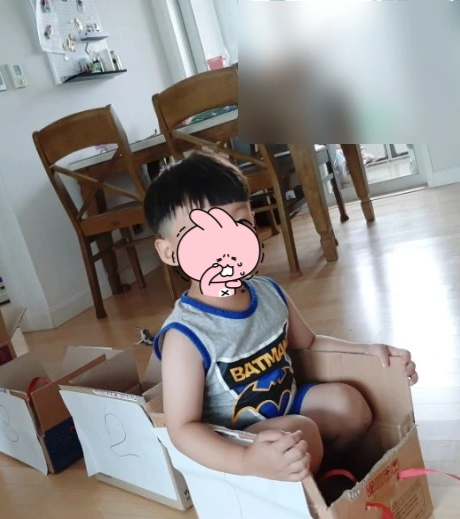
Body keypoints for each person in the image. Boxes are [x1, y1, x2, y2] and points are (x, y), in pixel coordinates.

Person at [144, 151, 418, 490]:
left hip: (288, 405)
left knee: (349, 405)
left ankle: (320, 480)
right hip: (240, 439)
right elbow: (182, 429)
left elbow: (310, 343)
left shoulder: (268, 292)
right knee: (301, 434)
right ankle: (299, 485)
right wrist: (246, 460)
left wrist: (368, 351)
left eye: (240, 224)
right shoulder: (185, 335)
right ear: (170, 252)